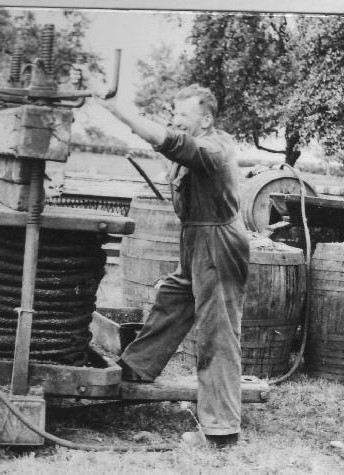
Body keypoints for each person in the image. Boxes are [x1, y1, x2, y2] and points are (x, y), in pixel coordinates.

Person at [95, 82, 250, 449]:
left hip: (217, 243)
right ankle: (135, 369)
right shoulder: (197, 146)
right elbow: (168, 143)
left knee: (218, 333)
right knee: (173, 297)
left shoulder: (213, 148)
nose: (176, 120)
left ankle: (221, 432)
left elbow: (168, 141)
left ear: (206, 119)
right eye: (174, 113)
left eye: (184, 114)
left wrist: (118, 108)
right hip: (197, 239)